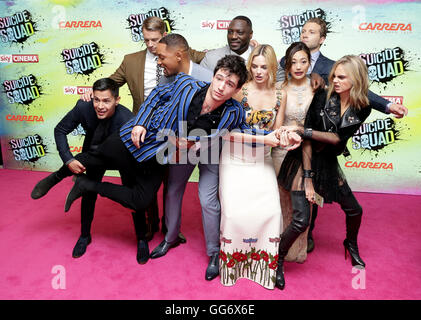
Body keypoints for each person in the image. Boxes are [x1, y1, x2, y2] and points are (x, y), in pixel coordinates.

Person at [63, 55, 299, 280]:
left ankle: (214, 253)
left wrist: (272, 137)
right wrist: (142, 122)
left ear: (237, 90)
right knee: (173, 190)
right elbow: (156, 95)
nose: (221, 87)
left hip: (209, 149)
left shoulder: (233, 111)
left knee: (208, 200)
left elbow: (242, 131)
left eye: (229, 84)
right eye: (219, 78)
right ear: (213, 75)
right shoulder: (186, 84)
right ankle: (170, 238)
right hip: (179, 148)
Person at [277, 17, 408, 253]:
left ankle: (320, 237)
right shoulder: (287, 61)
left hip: (322, 152)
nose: (305, 34)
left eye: (312, 31)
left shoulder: (330, 69)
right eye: (303, 31)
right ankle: (280, 248)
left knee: (331, 206)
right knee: (294, 207)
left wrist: (388, 105)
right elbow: (272, 83)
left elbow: (361, 96)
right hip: (292, 145)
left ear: (323, 38)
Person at [276, 55, 372, 290]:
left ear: (356, 79)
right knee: (301, 221)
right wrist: (308, 180)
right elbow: (306, 141)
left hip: (328, 161)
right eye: (334, 76)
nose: (335, 81)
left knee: (354, 210)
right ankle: (277, 260)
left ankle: (350, 244)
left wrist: (304, 130)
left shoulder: (363, 107)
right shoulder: (322, 96)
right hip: (303, 159)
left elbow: (338, 138)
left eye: (341, 77)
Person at [29, 78, 148, 261]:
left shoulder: (128, 120)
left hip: (123, 157)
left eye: (106, 101)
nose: (100, 106)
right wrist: (68, 159)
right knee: (88, 192)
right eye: (97, 99)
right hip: (93, 155)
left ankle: (141, 239)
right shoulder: (83, 107)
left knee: (132, 194)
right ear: (92, 97)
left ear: (117, 100)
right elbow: (60, 130)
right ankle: (85, 235)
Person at [218, 44, 285, 289]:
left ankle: (264, 270)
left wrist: (288, 136)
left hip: (262, 160)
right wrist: (264, 139)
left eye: (263, 67)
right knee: (233, 215)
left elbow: (276, 132)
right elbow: (226, 133)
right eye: (254, 66)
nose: (258, 71)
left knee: (272, 213)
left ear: (272, 68)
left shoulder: (280, 95)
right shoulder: (239, 91)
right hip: (234, 159)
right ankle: (232, 270)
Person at [272, 42, 315, 263]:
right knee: (282, 201)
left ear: (310, 63)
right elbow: (275, 126)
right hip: (282, 151)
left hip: (308, 153)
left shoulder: (318, 87)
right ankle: (280, 250)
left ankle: (298, 250)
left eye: (303, 61)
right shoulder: (280, 88)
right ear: (287, 64)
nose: (298, 66)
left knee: (304, 202)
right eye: (293, 62)